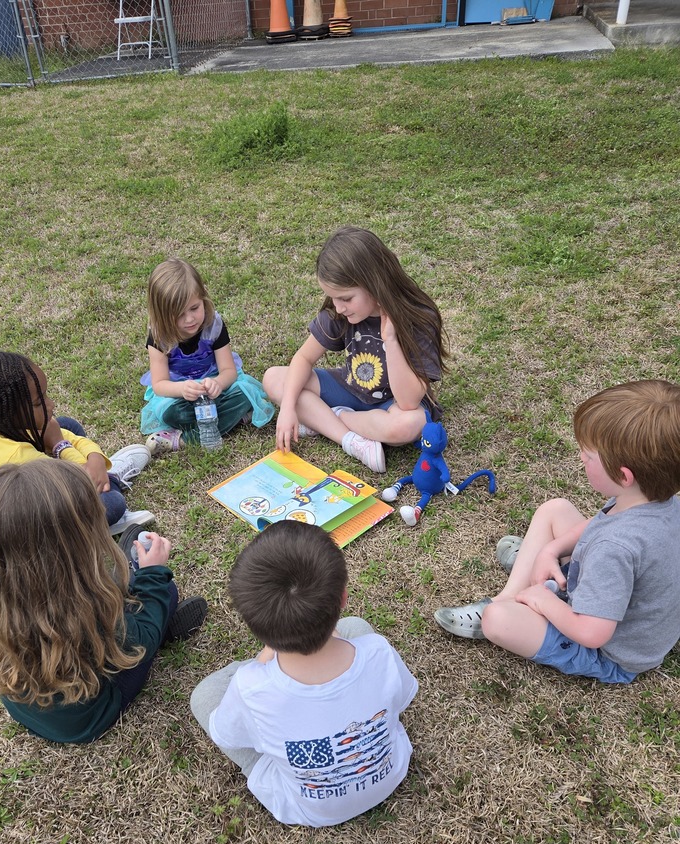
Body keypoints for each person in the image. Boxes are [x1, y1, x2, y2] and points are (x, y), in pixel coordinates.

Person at [434, 380, 680, 685]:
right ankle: (510, 593)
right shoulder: (657, 500)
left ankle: (506, 604)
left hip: (609, 652)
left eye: (589, 456)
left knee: (498, 621)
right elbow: (601, 523)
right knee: (555, 508)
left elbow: (592, 633)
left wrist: (543, 602)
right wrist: (551, 550)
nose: (581, 458)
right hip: (623, 597)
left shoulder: (614, 548)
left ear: (624, 476)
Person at [190, 521, 418, 827]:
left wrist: (259, 665)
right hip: (392, 771)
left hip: (306, 808)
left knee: (204, 697)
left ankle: (274, 657)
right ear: (342, 598)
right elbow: (401, 701)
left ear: (254, 626)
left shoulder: (250, 688)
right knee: (358, 628)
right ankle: (312, 644)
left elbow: (228, 734)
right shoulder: (378, 651)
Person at [0, 460, 207, 743]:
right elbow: (139, 638)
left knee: (117, 590)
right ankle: (161, 622)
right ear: (74, 549)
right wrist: (154, 574)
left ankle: (133, 578)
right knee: (164, 593)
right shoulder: (85, 611)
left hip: (29, 710)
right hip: (90, 717)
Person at [262, 226, 447, 476]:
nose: (338, 308)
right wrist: (286, 410)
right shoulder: (339, 311)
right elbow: (304, 358)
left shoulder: (418, 317)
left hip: (392, 405)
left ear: (375, 284)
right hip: (352, 388)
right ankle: (350, 440)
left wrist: (390, 339)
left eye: (346, 299)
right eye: (333, 298)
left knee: (411, 424)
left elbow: (408, 402)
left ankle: (325, 418)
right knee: (274, 378)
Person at [0, 350, 156, 544]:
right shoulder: (18, 459)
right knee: (112, 503)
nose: (50, 404)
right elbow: (80, 483)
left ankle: (105, 475)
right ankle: (110, 481)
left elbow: (66, 434)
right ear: (4, 410)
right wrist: (61, 446)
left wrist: (94, 455)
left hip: (34, 505)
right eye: (38, 402)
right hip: (29, 544)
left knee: (66, 424)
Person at [139, 257, 274, 448]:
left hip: (213, 384)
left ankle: (183, 440)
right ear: (162, 315)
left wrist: (218, 383)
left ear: (203, 298)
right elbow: (160, 384)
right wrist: (182, 389)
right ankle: (232, 420)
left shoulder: (214, 325)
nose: (190, 319)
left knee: (245, 396)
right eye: (179, 315)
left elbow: (228, 371)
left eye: (195, 308)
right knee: (172, 413)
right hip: (178, 390)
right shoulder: (159, 334)